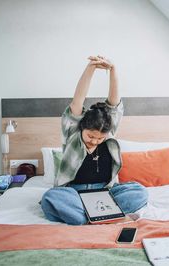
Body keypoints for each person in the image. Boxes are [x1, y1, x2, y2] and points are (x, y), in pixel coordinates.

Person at [41, 55, 148, 225]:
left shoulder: (110, 132)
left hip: (106, 193)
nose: (95, 141)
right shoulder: (73, 131)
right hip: (73, 194)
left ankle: (90, 217)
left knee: (139, 192)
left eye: (100, 138)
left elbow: (115, 104)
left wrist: (113, 70)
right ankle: (108, 217)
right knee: (51, 197)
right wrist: (91, 67)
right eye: (91, 136)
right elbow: (78, 99)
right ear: (82, 127)